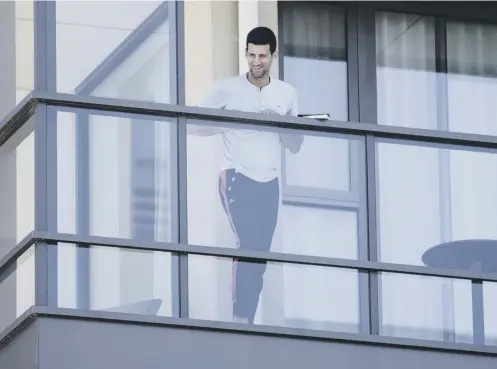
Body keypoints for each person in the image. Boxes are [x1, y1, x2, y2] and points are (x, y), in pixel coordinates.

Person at [188, 26, 303, 324]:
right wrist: (234, 120)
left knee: (261, 255)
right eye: (251, 54)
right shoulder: (226, 88)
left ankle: (247, 319)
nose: (256, 61)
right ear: (246, 53)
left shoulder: (286, 93)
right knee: (249, 244)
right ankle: (239, 319)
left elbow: (295, 145)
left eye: (262, 56)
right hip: (236, 175)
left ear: (273, 56)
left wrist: (279, 123)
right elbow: (194, 126)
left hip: (270, 181)